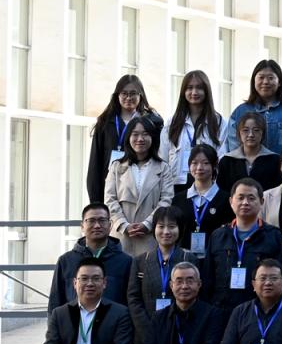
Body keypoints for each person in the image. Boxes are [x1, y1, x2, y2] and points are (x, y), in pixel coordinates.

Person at [204, 179, 282, 316]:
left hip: (258, 312)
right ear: (231, 201)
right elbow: (208, 278)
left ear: (261, 201)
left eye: (251, 198)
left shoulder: (273, 236)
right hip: (220, 311)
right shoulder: (218, 236)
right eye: (240, 197)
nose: (245, 202)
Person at [125, 207, 199, 344]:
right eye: (161, 226)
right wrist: (146, 328)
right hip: (146, 334)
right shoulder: (140, 261)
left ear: (180, 229)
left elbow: (196, 296)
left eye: (172, 226)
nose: (166, 231)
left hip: (181, 331)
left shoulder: (189, 259)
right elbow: (133, 298)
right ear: (154, 229)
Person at [104, 115, 175, 258]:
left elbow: (166, 200)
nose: (140, 139)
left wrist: (147, 224)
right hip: (121, 237)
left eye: (145, 134)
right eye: (135, 134)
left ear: (153, 138)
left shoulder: (163, 168)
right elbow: (109, 199)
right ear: (128, 138)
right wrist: (124, 225)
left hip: (150, 237)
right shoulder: (116, 166)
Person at [87, 75, 164, 203]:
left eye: (133, 93)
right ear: (117, 95)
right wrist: (95, 201)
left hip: (142, 189)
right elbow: (95, 163)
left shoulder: (152, 122)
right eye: (124, 93)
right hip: (110, 188)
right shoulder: (105, 123)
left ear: (141, 95)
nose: (128, 98)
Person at [51, 205, 132, 312]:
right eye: (91, 221)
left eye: (102, 220)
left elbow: (132, 302)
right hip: (75, 322)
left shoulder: (126, 262)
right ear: (82, 226)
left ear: (110, 225)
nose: (97, 225)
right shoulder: (66, 261)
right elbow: (55, 302)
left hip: (115, 322)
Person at [160, 70, 228, 190]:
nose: (194, 92)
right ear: (183, 91)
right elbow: (163, 157)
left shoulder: (218, 122)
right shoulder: (173, 123)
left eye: (199, 88)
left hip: (208, 184)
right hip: (177, 184)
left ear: (206, 91)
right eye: (189, 88)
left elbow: (222, 156)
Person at [224, 60, 282, 153]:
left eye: (271, 78)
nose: (265, 82)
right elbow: (234, 149)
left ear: (279, 82)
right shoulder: (240, 112)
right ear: (254, 81)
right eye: (261, 77)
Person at [177, 145, 234, 246]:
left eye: (206, 163)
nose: (199, 168)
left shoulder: (226, 200)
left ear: (214, 166)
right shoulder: (178, 199)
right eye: (194, 163)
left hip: (215, 254)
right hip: (183, 254)